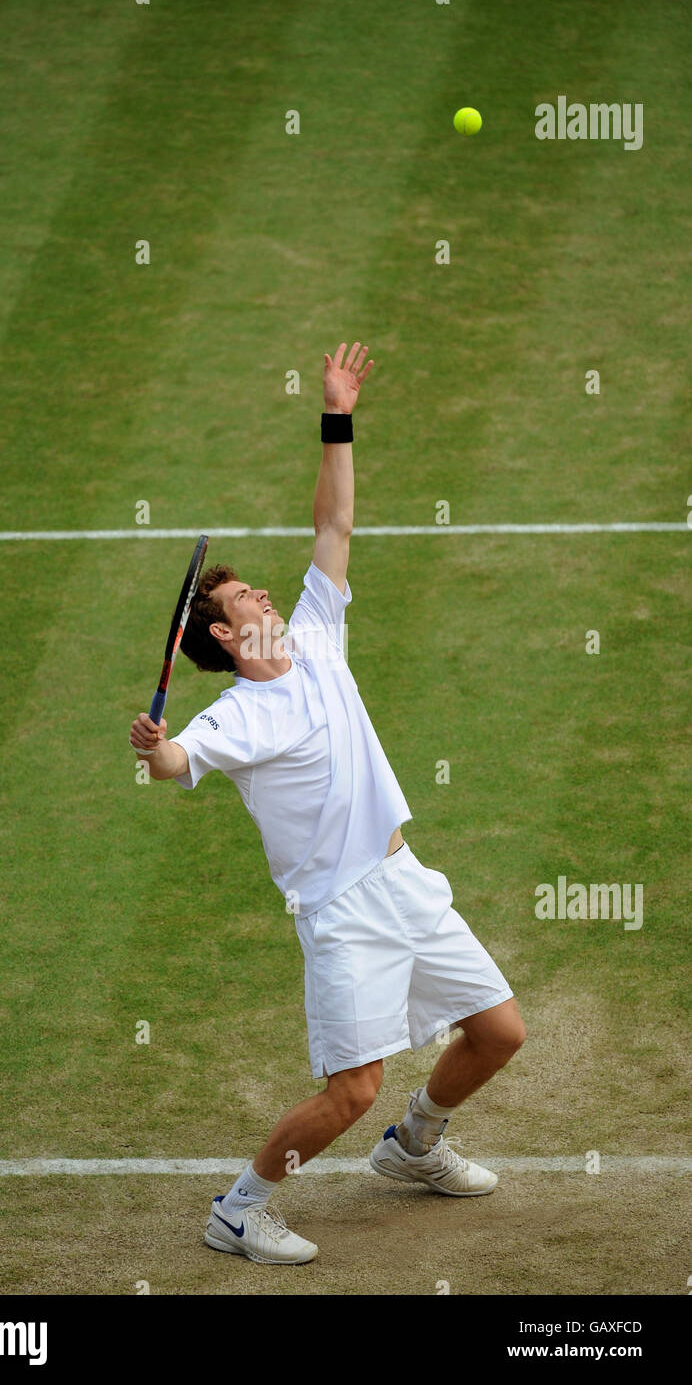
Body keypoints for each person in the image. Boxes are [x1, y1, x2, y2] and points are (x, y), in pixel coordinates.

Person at [129, 342, 525, 1265]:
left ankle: (414, 1146)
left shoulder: (317, 633)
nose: (263, 590)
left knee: (499, 1031)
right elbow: (181, 759)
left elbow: (334, 526)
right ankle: (240, 1208)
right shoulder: (235, 714)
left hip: (404, 879)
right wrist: (157, 749)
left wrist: (336, 413)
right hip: (343, 913)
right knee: (351, 1088)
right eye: (240, 595)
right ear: (224, 636)